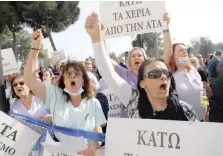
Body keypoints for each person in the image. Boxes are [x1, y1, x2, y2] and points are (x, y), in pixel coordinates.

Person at [85, 12, 198, 121]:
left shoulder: (186, 110)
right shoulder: (134, 101)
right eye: (154, 74)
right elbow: (107, 68)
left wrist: (165, 27)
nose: (163, 76)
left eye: (166, 73)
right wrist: (97, 39)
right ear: (142, 83)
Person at [23, 29, 106, 156]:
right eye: (68, 74)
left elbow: (98, 131)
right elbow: (29, 79)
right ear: (63, 81)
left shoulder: (94, 102)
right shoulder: (54, 95)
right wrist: (35, 48)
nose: (72, 77)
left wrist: (94, 146)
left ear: (83, 80)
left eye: (76, 74)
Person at [9, 74, 51, 156]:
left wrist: (51, 118)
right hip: (27, 149)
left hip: (47, 147)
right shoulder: (14, 106)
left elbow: (58, 116)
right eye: (15, 84)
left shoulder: (43, 99)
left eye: (21, 83)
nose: (18, 86)